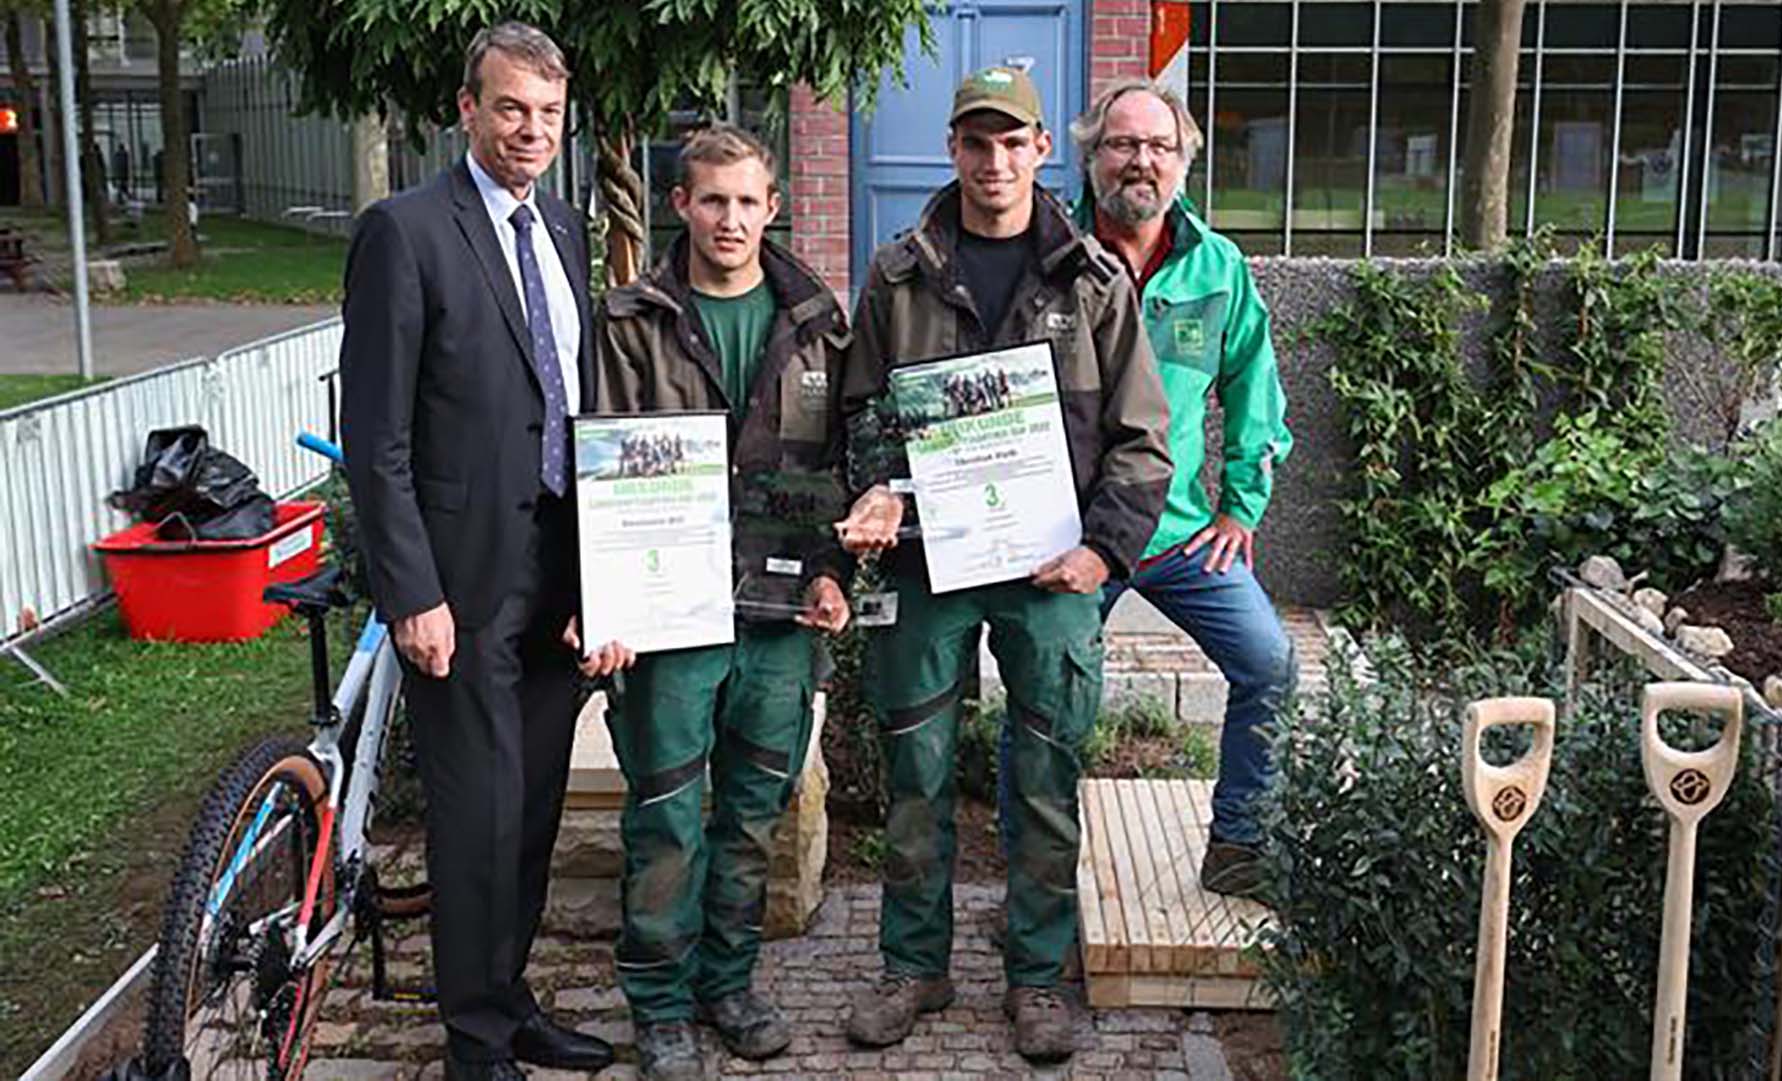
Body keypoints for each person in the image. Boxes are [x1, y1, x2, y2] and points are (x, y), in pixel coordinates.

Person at [833, 66, 1173, 1065]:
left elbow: (1143, 438)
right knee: (915, 774)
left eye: (1012, 142)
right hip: (924, 567)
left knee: (1045, 779)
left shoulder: (1094, 282)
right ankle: (914, 966)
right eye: (975, 143)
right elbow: (861, 410)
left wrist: (1103, 550)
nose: (993, 162)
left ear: (1039, 152)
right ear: (953, 150)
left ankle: (1035, 980)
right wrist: (877, 488)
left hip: (1049, 572)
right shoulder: (899, 275)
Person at [338, 23, 616, 1081]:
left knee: (535, 803)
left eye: (547, 113)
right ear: (467, 110)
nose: (530, 131)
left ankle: (511, 1000)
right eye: (510, 109)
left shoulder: (569, 229)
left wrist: (604, 571)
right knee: (475, 815)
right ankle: (474, 1042)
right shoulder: (404, 232)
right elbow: (378, 435)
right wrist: (411, 589)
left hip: (556, 566)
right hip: (456, 581)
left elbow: (572, 398)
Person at [588, 123, 854, 1081]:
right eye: (712, 201)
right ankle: (658, 1002)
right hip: (671, 616)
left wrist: (832, 572)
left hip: (780, 619)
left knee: (750, 811)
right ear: (681, 207)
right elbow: (599, 469)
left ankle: (726, 983)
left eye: (747, 202)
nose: (730, 219)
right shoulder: (630, 322)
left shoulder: (822, 322)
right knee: (665, 811)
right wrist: (604, 597)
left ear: (772, 207)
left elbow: (840, 465)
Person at [1048, 80, 1297, 896]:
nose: (1141, 161)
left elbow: (1255, 390)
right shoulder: (1049, 254)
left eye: (1159, 146)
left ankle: (1239, 845)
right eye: (1123, 144)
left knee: (1270, 663)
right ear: (1092, 158)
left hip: (1181, 532)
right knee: (1045, 698)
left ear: (1184, 162)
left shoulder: (1216, 267)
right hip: (1075, 538)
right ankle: (1037, 882)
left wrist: (1239, 506)